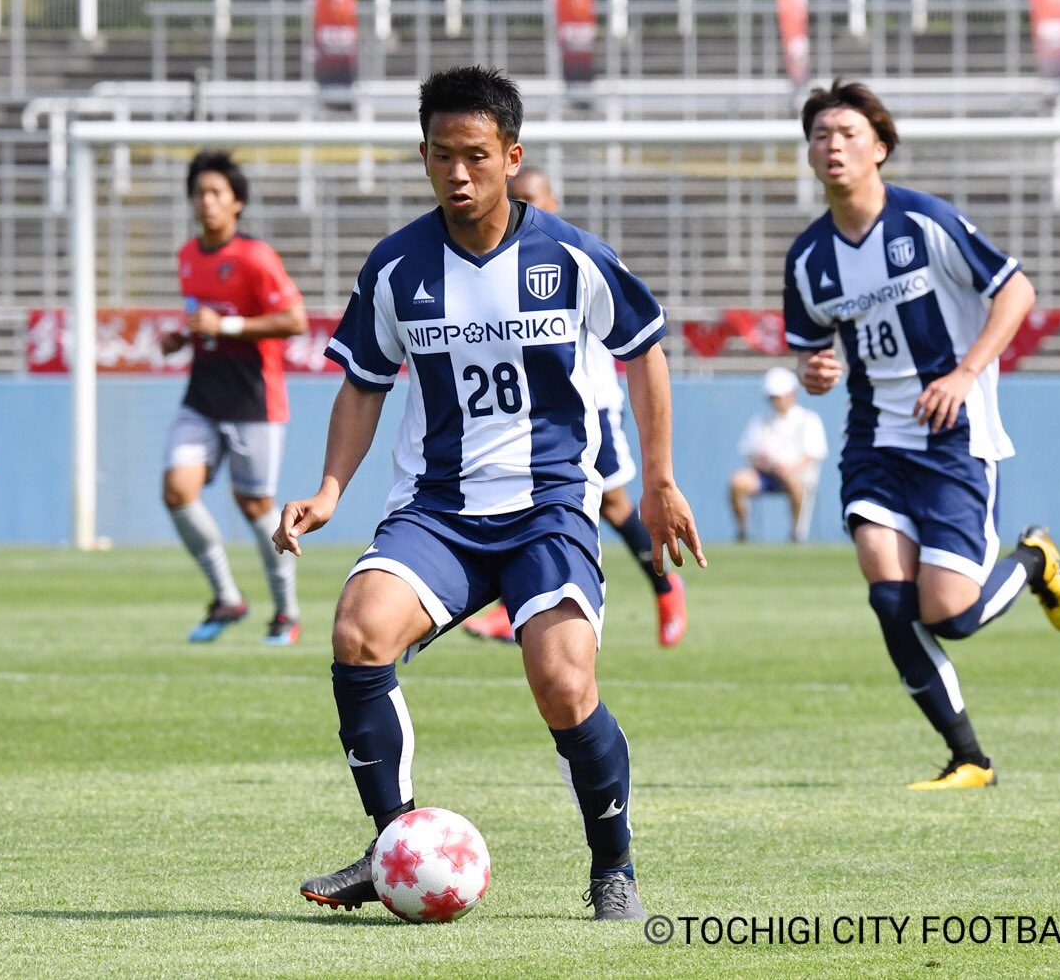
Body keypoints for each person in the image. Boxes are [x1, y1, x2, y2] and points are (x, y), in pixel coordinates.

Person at [274, 66, 703, 921]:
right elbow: (363, 382)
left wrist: (657, 478)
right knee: (360, 631)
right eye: (441, 157)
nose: (458, 174)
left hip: (549, 506)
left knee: (562, 682)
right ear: (424, 158)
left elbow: (645, 348)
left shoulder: (571, 256)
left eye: (475, 156)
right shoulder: (397, 266)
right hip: (438, 510)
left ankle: (612, 865)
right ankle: (393, 842)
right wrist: (328, 488)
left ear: (512, 156)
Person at [784, 80, 1060, 790]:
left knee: (951, 613)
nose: (833, 146)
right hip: (874, 441)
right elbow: (811, 351)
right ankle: (969, 757)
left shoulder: (926, 223)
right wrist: (815, 372)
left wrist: (966, 372)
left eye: (849, 134)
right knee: (889, 597)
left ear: (879, 149)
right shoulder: (807, 257)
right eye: (821, 135)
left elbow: (1016, 291)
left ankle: (1035, 560)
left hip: (954, 434)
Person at [462, 165, 688, 647]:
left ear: (554, 200)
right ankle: (515, 606)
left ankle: (667, 587)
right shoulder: (488, 260)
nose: (525, 206)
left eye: (533, 197)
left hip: (587, 403)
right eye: (517, 197)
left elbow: (640, 339)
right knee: (524, 492)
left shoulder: (571, 253)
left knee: (613, 501)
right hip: (526, 410)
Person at [159, 151, 308, 645]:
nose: (207, 202)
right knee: (177, 489)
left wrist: (226, 325)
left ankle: (286, 612)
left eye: (217, 193)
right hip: (201, 397)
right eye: (200, 193)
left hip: (252, 400)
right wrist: (183, 339)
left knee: (254, 504)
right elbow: (202, 323)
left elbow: (294, 320)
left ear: (237, 202)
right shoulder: (187, 256)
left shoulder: (254, 258)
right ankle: (227, 596)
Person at [728, 365, 828, 543]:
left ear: (792, 394)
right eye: (772, 397)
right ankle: (742, 533)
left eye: (779, 396)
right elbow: (751, 452)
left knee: (795, 484)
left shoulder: (808, 419)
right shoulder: (761, 420)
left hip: (796, 476)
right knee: (737, 482)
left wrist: (789, 469)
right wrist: (768, 466)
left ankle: (796, 534)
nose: (776, 401)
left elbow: (812, 455)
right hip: (765, 475)